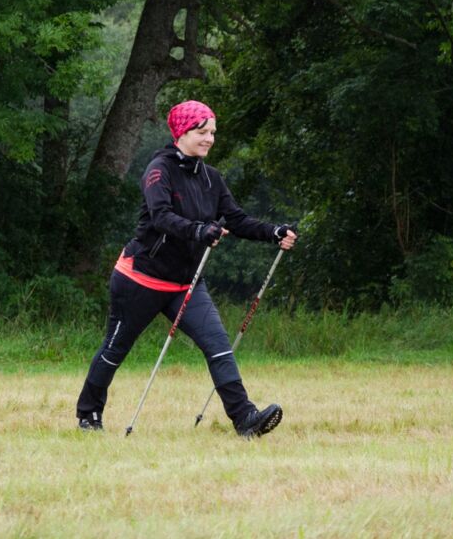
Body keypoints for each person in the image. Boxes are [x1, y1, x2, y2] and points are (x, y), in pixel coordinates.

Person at [75, 100, 297, 437]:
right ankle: (89, 415)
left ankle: (245, 419)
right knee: (115, 348)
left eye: (212, 133)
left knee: (218, 345)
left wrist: (273, 232)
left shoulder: (212, 178)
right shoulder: (158, 170)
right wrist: (199, 230)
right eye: (201, 132)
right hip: (140, 279)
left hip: (186, 284)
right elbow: (161, 215)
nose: (209, 139)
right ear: (181, 132)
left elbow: (235, 219)